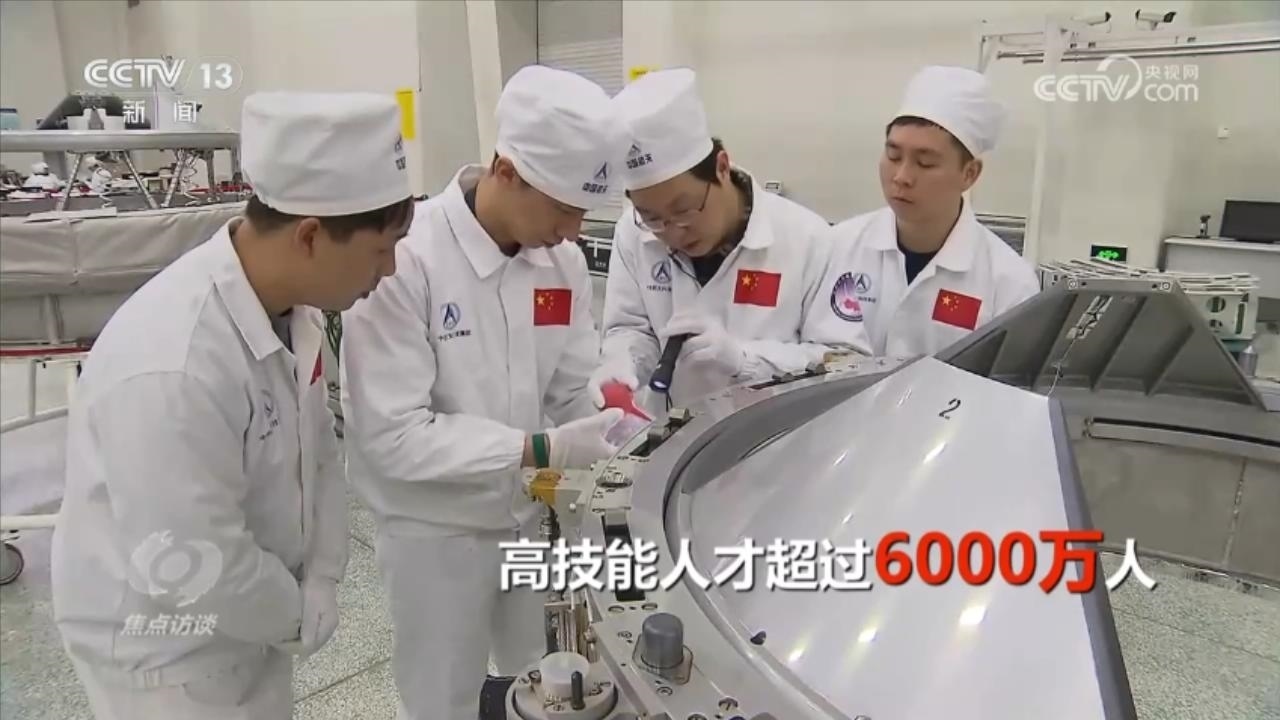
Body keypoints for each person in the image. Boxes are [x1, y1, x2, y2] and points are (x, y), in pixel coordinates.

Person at [49, 91, 414, 720]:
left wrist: (321, 576)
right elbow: (188, 556)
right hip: (167, 659)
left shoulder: (288, 308)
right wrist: (294, 612)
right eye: (381, 249)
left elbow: (318, 454)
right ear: (310, 236)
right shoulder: (174, 361)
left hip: (248, 621)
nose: (391, 270)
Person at [338, 65, 628, 720]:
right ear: (506, 171)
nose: (574, 229)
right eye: (562, 207)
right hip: (436, 534)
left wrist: (612, 419)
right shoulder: (405, 259)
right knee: (444, 698)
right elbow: (393, 437)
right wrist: (540, 447)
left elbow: (571, 386)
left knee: (550, 687)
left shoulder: (561, 262)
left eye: (584, 211)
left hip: (532, 518)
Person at [589, 68, 869, 417]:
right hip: (669, 437)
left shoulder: (810, 240)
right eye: (652, 217)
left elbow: (848, 361)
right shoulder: (631, 233)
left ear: (721, 167)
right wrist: (623, 361)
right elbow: (630, 328)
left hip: (772, 437)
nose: (673, 233)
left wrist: (744, 359)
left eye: (684, 210)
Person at [816, 65, 1041, 358]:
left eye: (925, 163)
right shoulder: (836, 248)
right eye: (893, 156)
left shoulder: (1009, 284)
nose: (902, 177)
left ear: (969, 174)